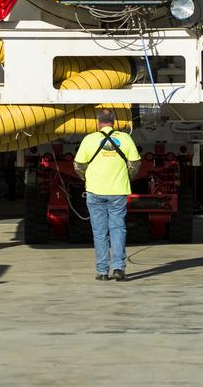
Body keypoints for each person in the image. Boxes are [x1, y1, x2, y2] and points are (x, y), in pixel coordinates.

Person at [74, 109, 141, 281]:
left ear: (98, 122)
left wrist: (86, 178)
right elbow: (135, 163)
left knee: (99, 232)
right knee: (118, 229)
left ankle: (102, 271)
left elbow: (79, 165)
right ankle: (119, 268)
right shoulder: (125, 139)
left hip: (95, 192)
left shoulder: (89, 140)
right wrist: (127, 177)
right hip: (118, 192)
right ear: (114, 122)